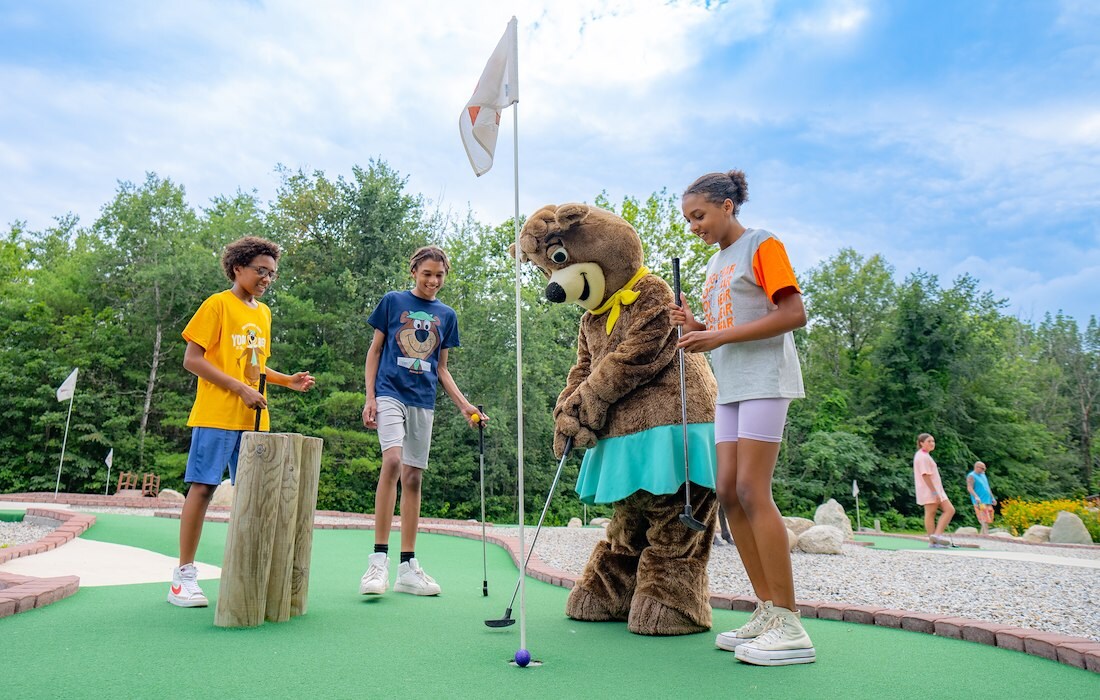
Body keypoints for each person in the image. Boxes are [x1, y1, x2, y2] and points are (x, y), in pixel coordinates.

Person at [669, 169, 814, 666]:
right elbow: (730, 323)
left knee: (753, 490)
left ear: (727, 206)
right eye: (689, 219)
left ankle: (792, 625)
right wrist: (697, 326)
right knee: (728, 492)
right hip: (731, 386)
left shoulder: (762, 244)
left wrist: (717, 338)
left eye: (699, 215)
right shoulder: (716, 265)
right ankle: (769, 609)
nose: (694, 226)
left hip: (765, 381)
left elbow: (793, 313)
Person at [169, 236, 316, 608]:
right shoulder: (217, 304)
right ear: (238, 268)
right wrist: (239, 389)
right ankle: (183, 577)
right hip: (217, 414)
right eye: (260, 271)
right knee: (202, 490)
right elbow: (193, 359)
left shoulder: (262, 314)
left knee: (253, 495)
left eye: (272, 273)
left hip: (254, 418)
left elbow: (252, 366)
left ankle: (249, 574)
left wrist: (286, 381)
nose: (267, 278)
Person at [358, 245, 484, 597]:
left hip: (423, 401)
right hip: (389, 393)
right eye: (427, 273)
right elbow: (375, 350)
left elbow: (441, 368)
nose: (433, 280)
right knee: (393, 462)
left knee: (413, 478)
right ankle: (377, 562)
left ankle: (407, 568)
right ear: (414, 271)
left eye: (439, 275)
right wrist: (369, 396)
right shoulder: (392, 302)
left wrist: (464, 405)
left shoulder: (447, 315)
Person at [914, 433, 955, 547]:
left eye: (933, 441)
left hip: (936, 489)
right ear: (921, 443)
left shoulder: (925, 455)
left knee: (949, 510)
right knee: (931, 513)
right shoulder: (922, 456)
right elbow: (925, 475)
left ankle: (936, 537)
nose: (932, 443)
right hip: (929, 490)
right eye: (929, 441)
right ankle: (933, 540)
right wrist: (934, 491)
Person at [967, 461, 997, 535]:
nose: (984, 470)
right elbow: (969, 488)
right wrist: (976, 496)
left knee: (989, 516)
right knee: (984, 517)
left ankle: (982, 534)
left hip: (988, 500)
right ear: (976, 467)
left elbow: (987, 487)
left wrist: (992, 498)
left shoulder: (983, 475)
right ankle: (986, 534)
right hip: (980, 501)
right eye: (982, 468)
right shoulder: (971, 476)